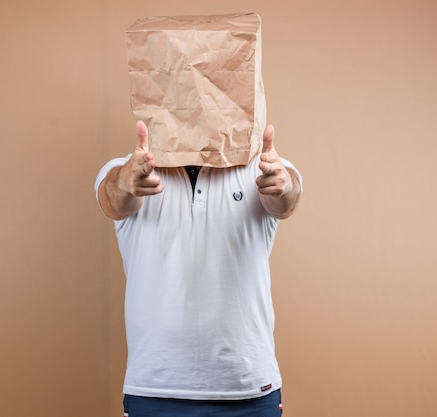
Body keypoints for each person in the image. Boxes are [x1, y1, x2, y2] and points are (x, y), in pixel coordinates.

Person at [95, 120, 302, 417]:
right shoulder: (129, 170)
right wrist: (126, 181)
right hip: (156, 390)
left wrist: (282, 183)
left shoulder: (263, 167)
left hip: (249, 389)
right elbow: (114, 199)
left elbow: (286, 199)